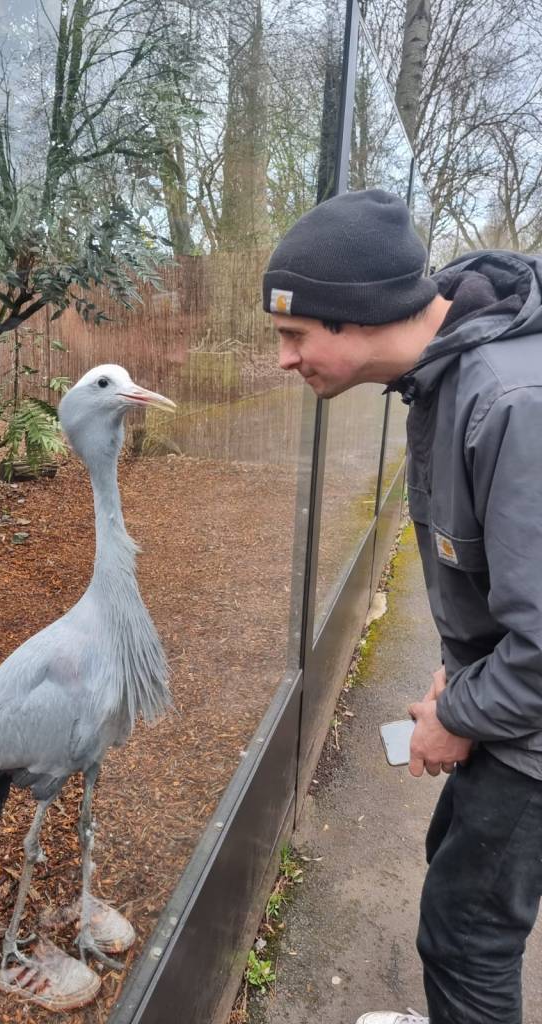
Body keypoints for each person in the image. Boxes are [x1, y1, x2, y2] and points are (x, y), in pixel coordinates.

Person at [263, 188, 542, 1024]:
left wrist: (458, 712)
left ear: (353, 318)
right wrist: (463, 661)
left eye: (293, 334)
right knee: (453, 886)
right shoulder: (451, 373)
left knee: (468, 938)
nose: (283, 359)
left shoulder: (508, 403)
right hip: (509, 705)